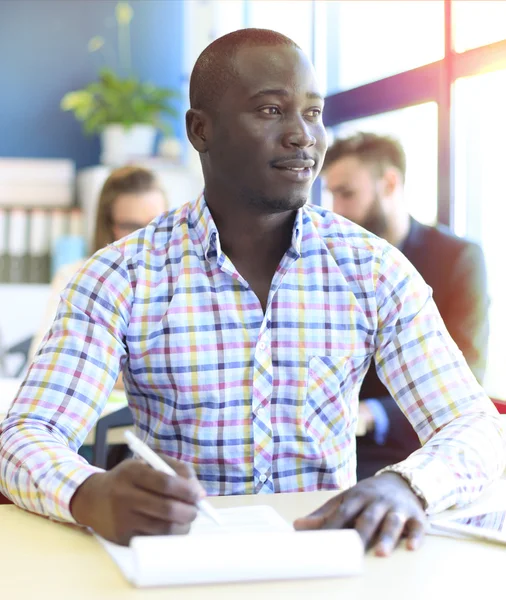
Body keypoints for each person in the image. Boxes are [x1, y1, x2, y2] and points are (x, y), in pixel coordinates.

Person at [0, 29, 504, 557]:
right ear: (201, 129)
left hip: (330, 562)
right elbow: (25, 436)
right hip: (181, 563)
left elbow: (474, 427)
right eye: (271, 110)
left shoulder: (373, 269)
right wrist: (89, 492)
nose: (303, 136)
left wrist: (408, 485)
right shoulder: (118, 276)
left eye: (313, 112)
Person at [322, 133, 490, 479]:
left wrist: (371, 413)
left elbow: (468, 375)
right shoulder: (331, 262)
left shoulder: (458, 259)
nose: (336, 209)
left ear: (389, 183)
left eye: (347, 193)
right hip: (332, 446)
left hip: (417, 451)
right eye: (332, 194)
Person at [28, 165, 168, 361]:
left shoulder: (179, 280)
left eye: (156, 223)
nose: (147, 238)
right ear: (108, 225)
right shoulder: (75, 276)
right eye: (132, 226)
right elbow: (43, 358)